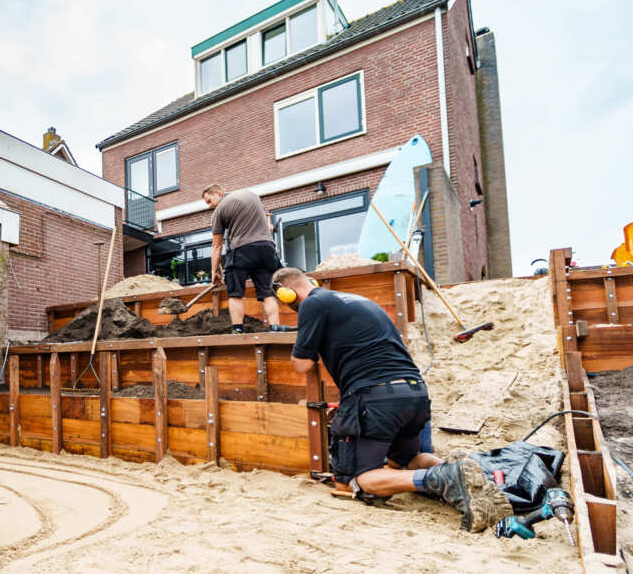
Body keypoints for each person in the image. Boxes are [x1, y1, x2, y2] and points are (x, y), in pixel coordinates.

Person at [275, 267, 511, 532]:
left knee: (356, 481)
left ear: (286, 293)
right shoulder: (355, 300)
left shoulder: (313, 303)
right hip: (415, 393)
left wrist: (304, 344)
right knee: (407, 459)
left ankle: (445, 476)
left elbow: (302, 365)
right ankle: (464, 475)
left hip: (376, 397)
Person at [201, 185, 287, 332]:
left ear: (217, 193)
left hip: (241, 250)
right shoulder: (252, 195)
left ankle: (238, 329)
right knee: (268, 292)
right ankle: (275, 327)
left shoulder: (219, 211)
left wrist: (215, 271)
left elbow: (216, 245)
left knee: (235, 294)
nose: (209, 206)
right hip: (266, 249)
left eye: (209, 201)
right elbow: (262, 224)